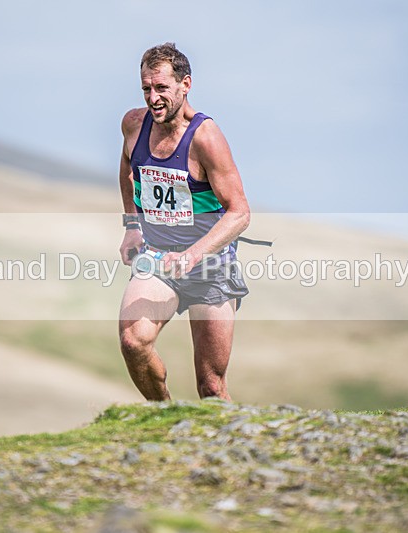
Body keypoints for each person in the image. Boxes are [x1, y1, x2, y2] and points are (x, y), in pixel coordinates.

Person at [117, 42, 251, 402]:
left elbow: (240, 212)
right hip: (159, 258)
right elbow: (129, 167)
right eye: (146, 88)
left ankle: (222, 451)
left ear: (185, 84)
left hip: (210, 267)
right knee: (133, 341)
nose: (153, 98)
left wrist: (192, 256)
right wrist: (132, 225)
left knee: (210, 387)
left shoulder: (206, 138)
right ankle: (163, 416)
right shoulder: (134, 125)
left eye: (161, 88)